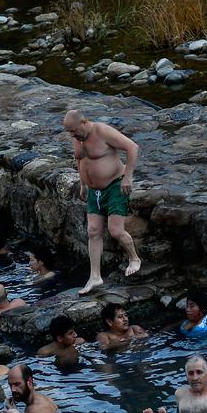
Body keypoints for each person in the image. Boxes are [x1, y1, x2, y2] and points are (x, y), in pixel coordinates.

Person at [63, 109, 142, 294]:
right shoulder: (77, 135)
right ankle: (95, 276)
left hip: (115, 186)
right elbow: (80, 159)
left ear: (84, 122)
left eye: (73, 130)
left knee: (115, 231)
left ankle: (134, 258)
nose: (72, 135)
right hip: (93, 190)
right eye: (69, 132)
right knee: (92, 231)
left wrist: (127, 178)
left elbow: (133, 147)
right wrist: (83, 183)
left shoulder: (102, 131)